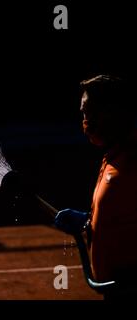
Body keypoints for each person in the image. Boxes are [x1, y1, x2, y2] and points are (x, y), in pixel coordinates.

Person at [55, 75, 137, 298]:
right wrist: (88, 220)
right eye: (83, 113)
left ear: (112, 112)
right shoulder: (111, 156)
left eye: (89, 112)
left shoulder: (132, 160)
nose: (85, 121)